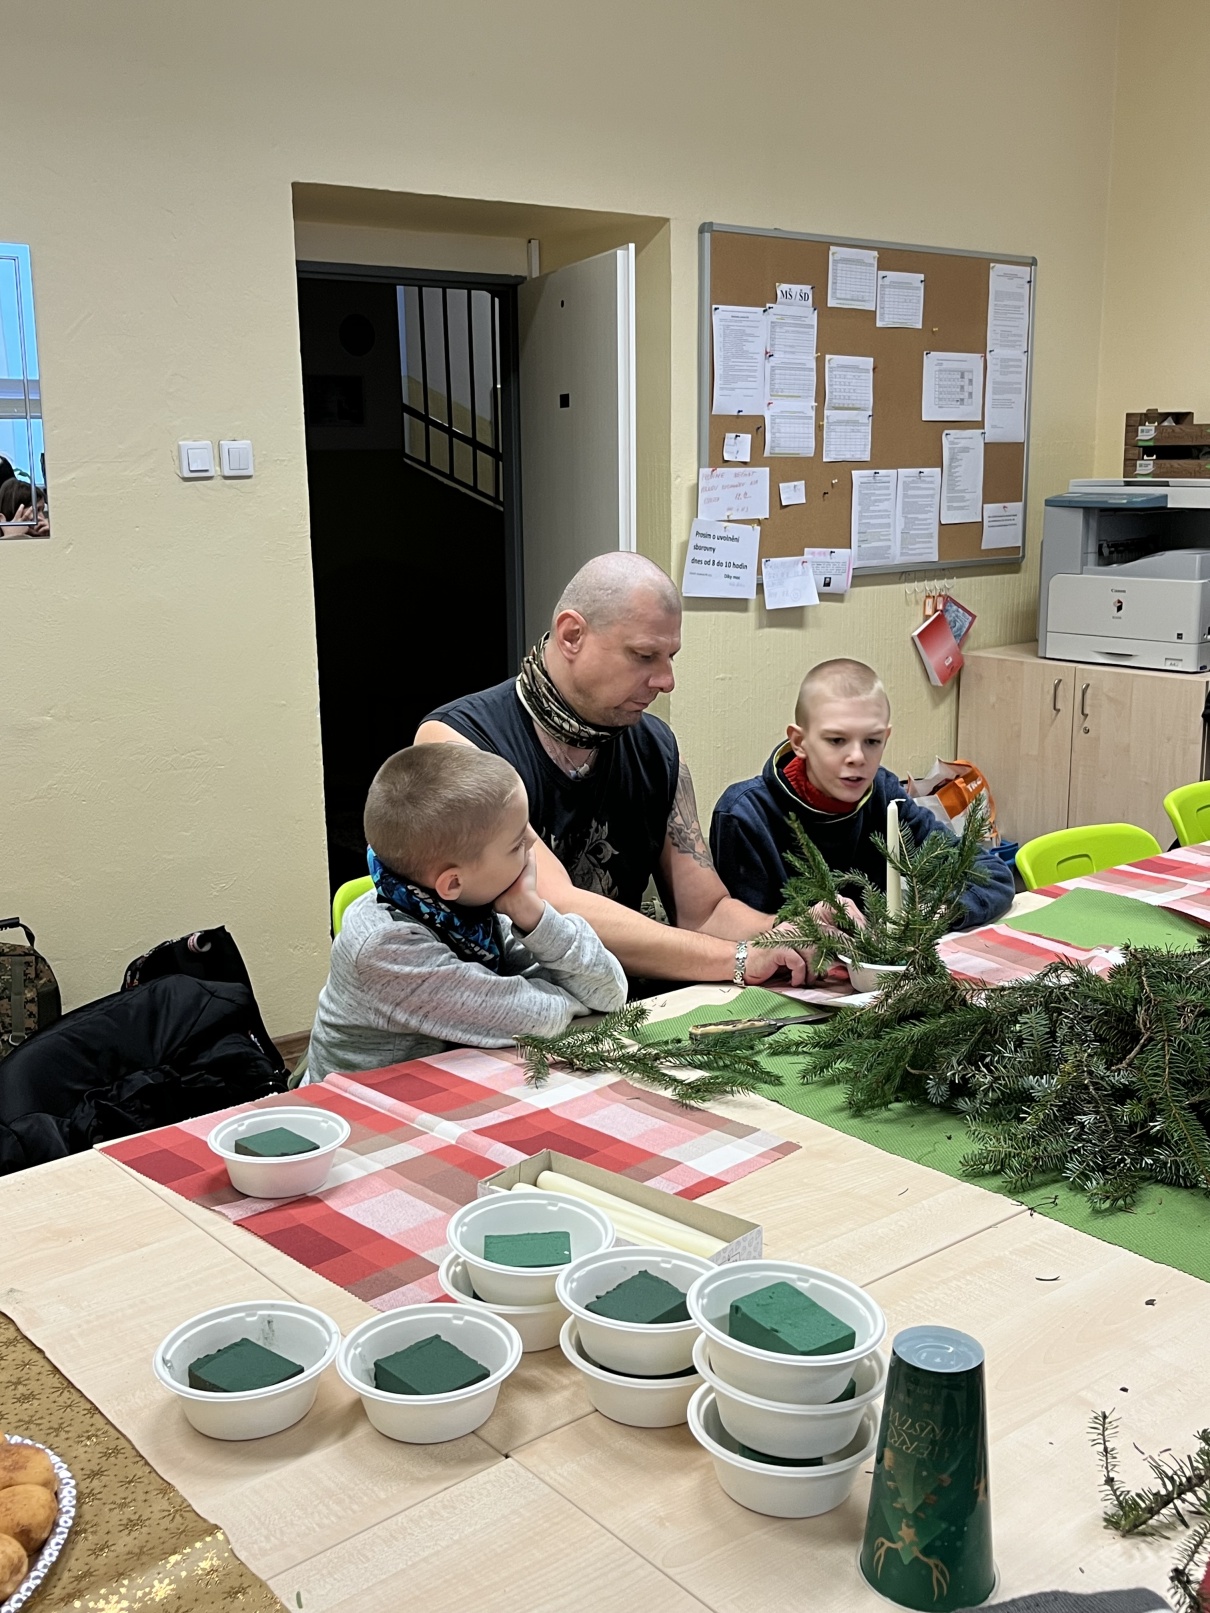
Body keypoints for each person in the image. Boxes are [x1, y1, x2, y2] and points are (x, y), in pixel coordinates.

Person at [416, 552, 809, 989]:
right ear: (572, 635)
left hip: (620, 1006)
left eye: (670, 657)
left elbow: (705, 913)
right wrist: (741, 959)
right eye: (644, 655)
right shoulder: (456, 743)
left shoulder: (656, 748)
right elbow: (556, 906)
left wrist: (795, 933)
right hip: (505, 1009)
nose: (666, 680)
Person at [306, 743, 627, 1081]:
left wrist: (533, 915)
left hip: (449, 1081)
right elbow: (532, 1018)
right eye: (517, 843)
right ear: (453, 882)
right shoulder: (386, 948)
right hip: (359, 1105)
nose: (533, 842)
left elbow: (609, 991)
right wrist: (576, 1000)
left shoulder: (472, 908)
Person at [710, 658, 1015, 930]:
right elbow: (743, 938)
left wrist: (934, 914)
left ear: (886, 737)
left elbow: (992, 875)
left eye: (872, 741)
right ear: (799, 742)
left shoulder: (885, 795)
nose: (857, 757)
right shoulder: (744, 815)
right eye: (836, 740)